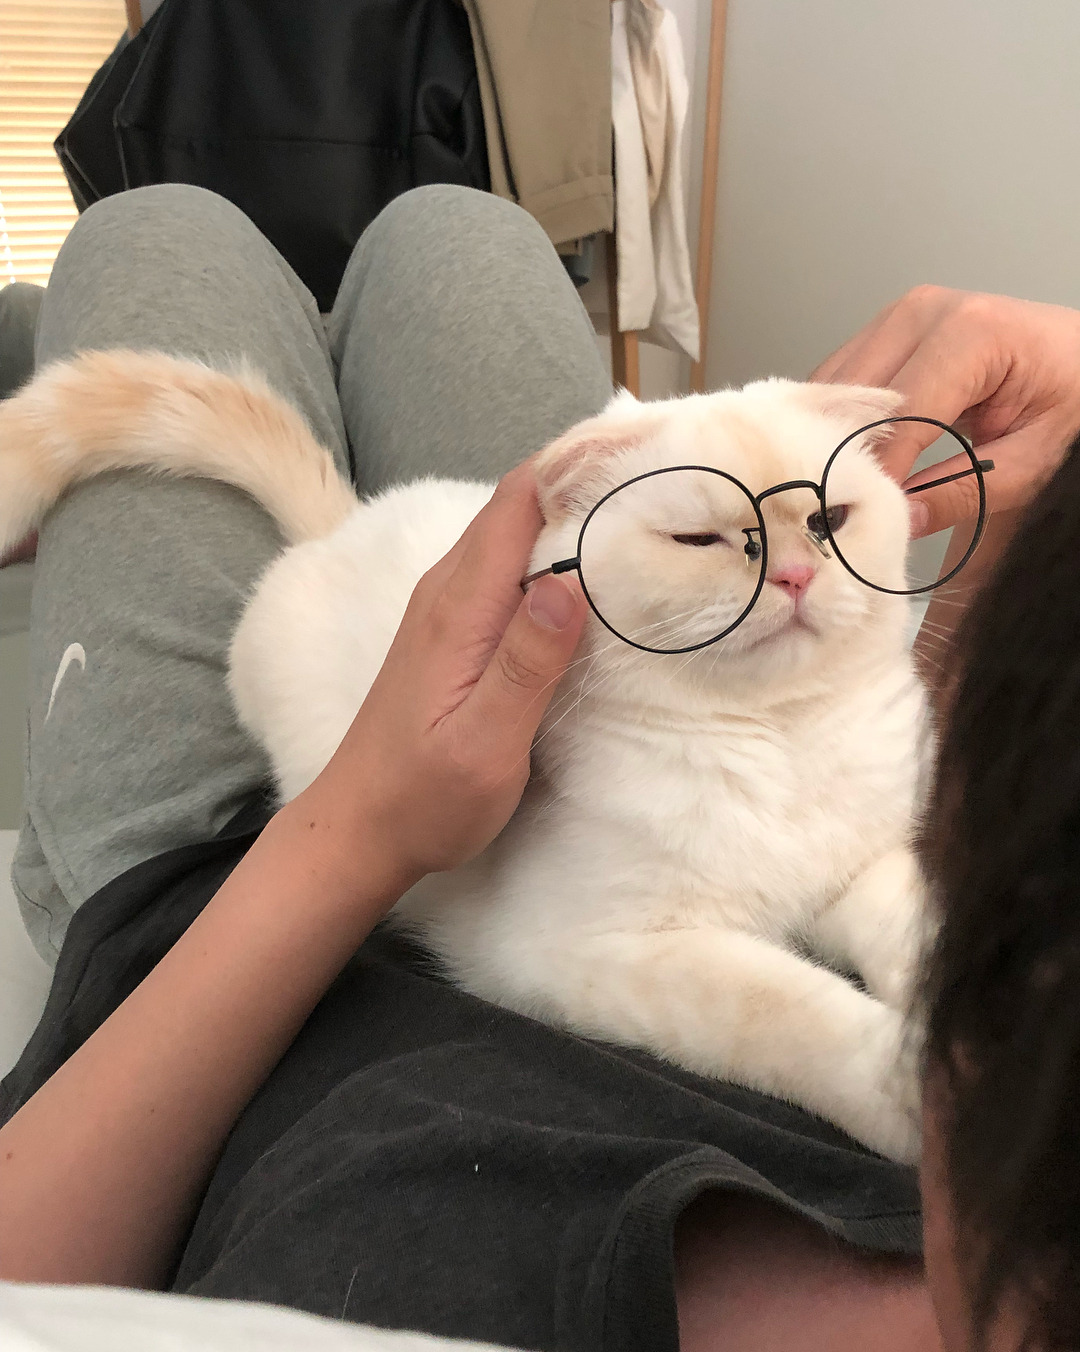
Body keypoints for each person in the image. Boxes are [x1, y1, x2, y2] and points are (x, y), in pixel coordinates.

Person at [0, 182, 1077, 1352]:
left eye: (829, 524)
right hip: (500, 627)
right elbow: (860, 865)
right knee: (460, 224)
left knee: (154, 224)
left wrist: (357, 816)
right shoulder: (999, 1165)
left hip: (231, 888)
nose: (796, 571)